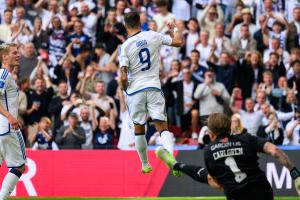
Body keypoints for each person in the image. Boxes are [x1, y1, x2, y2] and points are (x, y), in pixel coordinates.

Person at [156, 113, 300, 200]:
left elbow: (216, 183)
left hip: (237, 195)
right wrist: (295, 174)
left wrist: (227, 184)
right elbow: (275, 151)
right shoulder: (246, 138)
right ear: (229, 128)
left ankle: (176, 165)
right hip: (262, 191)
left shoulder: (209, 150)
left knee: (209, 177)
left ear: (211, 134)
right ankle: (175, 165)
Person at [118, 11, 183, 175]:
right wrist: (174, 28)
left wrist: (125, 87)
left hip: (135, 91)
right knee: (162, 126)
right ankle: (172, 160)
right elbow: (178, 42)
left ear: (126, 25)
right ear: (140, 22)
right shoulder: (153, 35)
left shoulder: (125, 46)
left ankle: (145, 164)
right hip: (154, 86)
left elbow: (123, 75)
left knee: (139, 128)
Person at [0, 43, 27, 199]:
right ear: (5, 57)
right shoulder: (3, 74)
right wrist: (10, 116)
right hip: (7, 129)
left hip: (1, 128)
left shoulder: (6, 75)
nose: (18, 55)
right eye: (14, 53)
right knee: (19, 166)